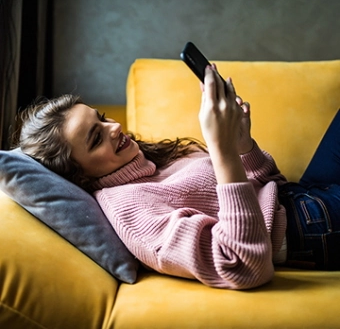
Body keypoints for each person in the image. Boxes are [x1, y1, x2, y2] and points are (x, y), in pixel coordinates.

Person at [17, 65, 340, 290]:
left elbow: (269, 185)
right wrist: (223, 149)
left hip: (302, 197)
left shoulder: (148, 160)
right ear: (79, 175)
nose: (114, 127)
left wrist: (243, 145)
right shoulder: (130, 212)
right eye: (96, 138)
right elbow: (244, 266)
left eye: (101, 119)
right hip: (308, 228)